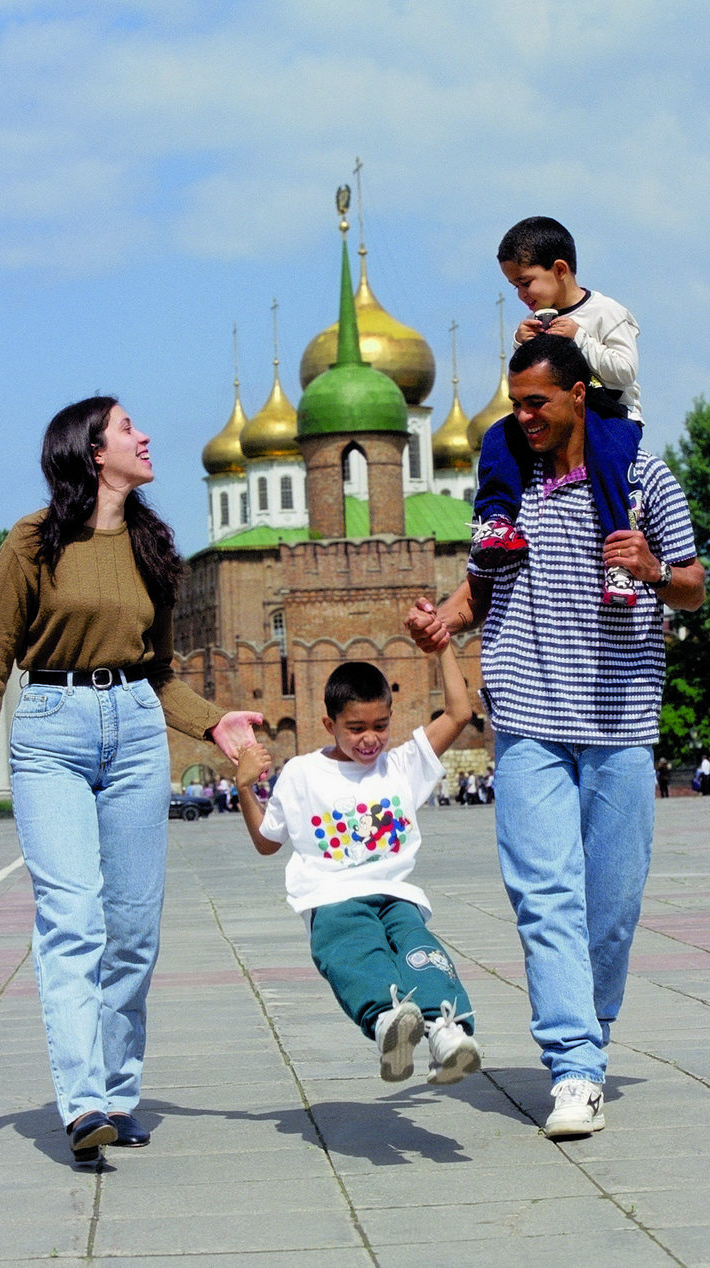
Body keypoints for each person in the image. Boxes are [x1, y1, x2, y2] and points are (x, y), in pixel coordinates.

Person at [0, 397, 260, 1163]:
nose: (145, 435)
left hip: (137, 733)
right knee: (73, 916)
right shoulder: (32, 541)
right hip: (52, 729)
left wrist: (215, 723)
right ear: (90, 450)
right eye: (127, 428)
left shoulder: (153, 543)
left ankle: (118, 1093)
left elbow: (156, 674)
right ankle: (82, 1103)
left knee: (132, 928)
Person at [406, 336, 705, 1138]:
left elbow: (692, 588)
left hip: (618, 724)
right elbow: (478, 591)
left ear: (578, 393)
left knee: (610, 907)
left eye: (536, 402)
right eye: (515, 404)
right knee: (543, 899)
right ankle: (573, 1068)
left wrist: (650, 568)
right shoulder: (507, 481)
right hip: (529, 720)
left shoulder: (642, 477)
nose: (523, 417)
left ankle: (589, 1036)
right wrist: (443, 620)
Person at [235, 653, 482, 1087]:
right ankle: (390, 1024)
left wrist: (442, 646)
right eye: (356, 728)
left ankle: (445, 1032)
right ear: (329, 725)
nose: (370, 739)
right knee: (354, 953)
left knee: (420, 952)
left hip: (395, 895)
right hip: (331, 897)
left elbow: (460, 712)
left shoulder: (402, 765)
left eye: (380, 726)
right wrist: (243, 786)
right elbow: (266, 842)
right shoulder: (302, 773)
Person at [472, 216, 644, 607]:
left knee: (610, 461)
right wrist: (522, 345)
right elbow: (533, 387)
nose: (520, 294)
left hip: (612, 416)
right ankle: (496, 522)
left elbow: (625, 372)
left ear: (560, 270)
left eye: (525, 282)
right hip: (563, 421)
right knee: (500, 435)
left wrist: (579, 337)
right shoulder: (537, 320)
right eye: (513, 285)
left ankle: (618, 561)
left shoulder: (605, 312)